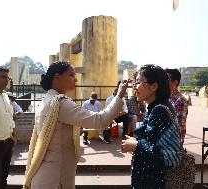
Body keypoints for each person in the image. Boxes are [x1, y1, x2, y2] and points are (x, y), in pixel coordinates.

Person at [23, 61, 130, 189]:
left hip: (48, 172)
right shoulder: (60, 103)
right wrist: (119, 95)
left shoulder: (47, 100)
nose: (76, 79)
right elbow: (100, 120)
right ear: (57, 77)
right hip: (56, 177)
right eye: (71, 75)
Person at [121, 64, 181, 189]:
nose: (135, 87)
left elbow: (173, 157)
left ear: (154, 86)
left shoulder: (159, 111)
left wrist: (136, 146)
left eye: (139, 82)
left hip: (157, 182)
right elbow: (154, 142)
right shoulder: (157, 107)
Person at [165, 68, 188, 145]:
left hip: (172, 143)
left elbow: (179, 125)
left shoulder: (180, 100)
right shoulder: (165, 98)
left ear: (175, 82)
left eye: (166, 80)